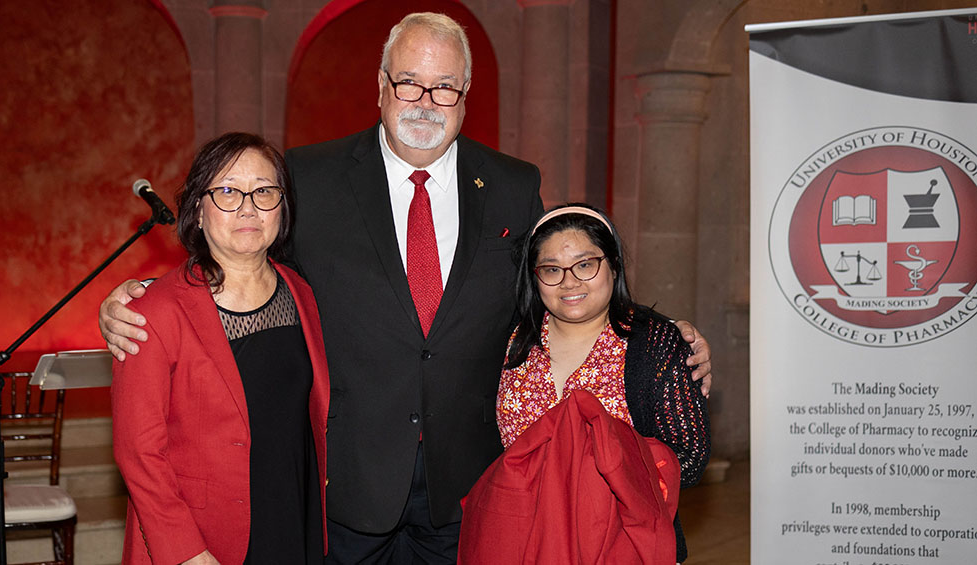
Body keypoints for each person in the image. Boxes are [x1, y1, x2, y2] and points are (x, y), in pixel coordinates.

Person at [101, 13, 712, 563]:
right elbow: (240, 253)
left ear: (465, 97)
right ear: (381, 86)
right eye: (409, 83)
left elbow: (557, 288)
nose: (425, 101)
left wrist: (656, 338)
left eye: (444, 86)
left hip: (469, 483)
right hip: (347, 485)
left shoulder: (511, 185)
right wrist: (138, 298)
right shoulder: (310, 178)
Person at [110, 133, 328, 564]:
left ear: (282, 208)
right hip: (202, 539)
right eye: (227, 191)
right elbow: (137, 452)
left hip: (293, 521)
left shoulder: (301, 293)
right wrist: (187, 553)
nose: (248, 206)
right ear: (197, 208)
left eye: (264, 191)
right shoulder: (154, 312)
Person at [489, 204, 710, 563]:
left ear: (614, 265)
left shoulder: (655, 343)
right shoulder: (513, 340)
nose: (569, 281)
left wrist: (597, 475)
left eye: (585, 264)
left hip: (621, 542)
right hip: (525, 541)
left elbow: (690, 456)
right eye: (551, 270)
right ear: (534, 278)